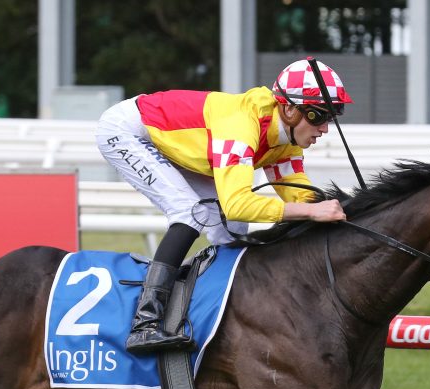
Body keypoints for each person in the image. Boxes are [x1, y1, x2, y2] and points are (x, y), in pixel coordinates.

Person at [96, 58, 351, 354]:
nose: (325, 128)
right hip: (129, 131)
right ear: (290, 109)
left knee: (231, 231)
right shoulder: (241, 125)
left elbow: (298, 196)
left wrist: (340, 213)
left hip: (187, 147)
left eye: (331, 116)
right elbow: (237, 204)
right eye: (319, 115)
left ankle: (219, 312)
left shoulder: (286, 138)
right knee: (191, 212)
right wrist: (311, 211)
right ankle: (145, 323)